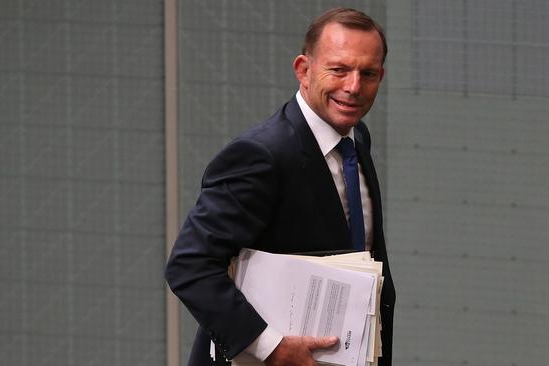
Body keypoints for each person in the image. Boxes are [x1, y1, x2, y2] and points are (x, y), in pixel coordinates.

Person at [165, 7, 395, 366]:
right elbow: (189, 266)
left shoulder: (355, 139)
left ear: (380, 76)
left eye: (367, 73)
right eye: (338, 69)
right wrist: (271, 348)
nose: (353, 87)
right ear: (303, 70)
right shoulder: (261, 155)